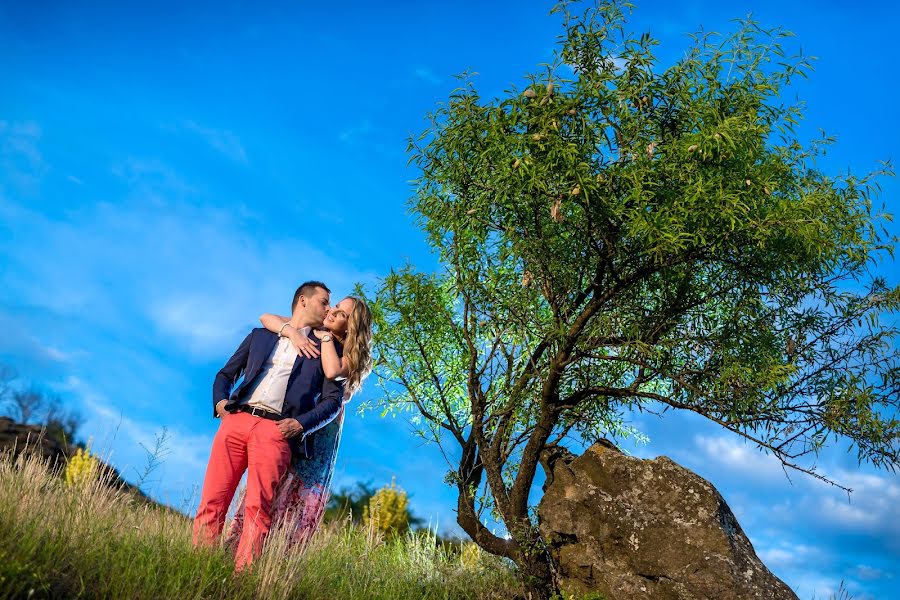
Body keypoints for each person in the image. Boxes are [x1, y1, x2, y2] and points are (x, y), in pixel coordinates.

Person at [192, 281, 346, 569]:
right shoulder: (261, 336)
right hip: (236, 422)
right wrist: (220, 405)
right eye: (324, 302)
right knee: (212, 503)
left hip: (276, 432)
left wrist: (300, 424)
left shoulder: (327, 351)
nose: (328, 308)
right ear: (303, 300)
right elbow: (225, 374)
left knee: (257, 512)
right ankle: (197, 571)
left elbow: (333, 402)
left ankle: (243, 580)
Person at [225, 295, 374, 548]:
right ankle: (238, 544)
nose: (333, 311)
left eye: (342, 314)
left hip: (320, 428)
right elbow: (266, 318)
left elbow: (331, 371)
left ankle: (278, 552)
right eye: (336, 306)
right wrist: (293, 333)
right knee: (268, 479)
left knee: (298, 488)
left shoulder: (349, 356)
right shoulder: (312, 331)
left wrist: (325, 335)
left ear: (351, 327)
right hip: (291, 413)